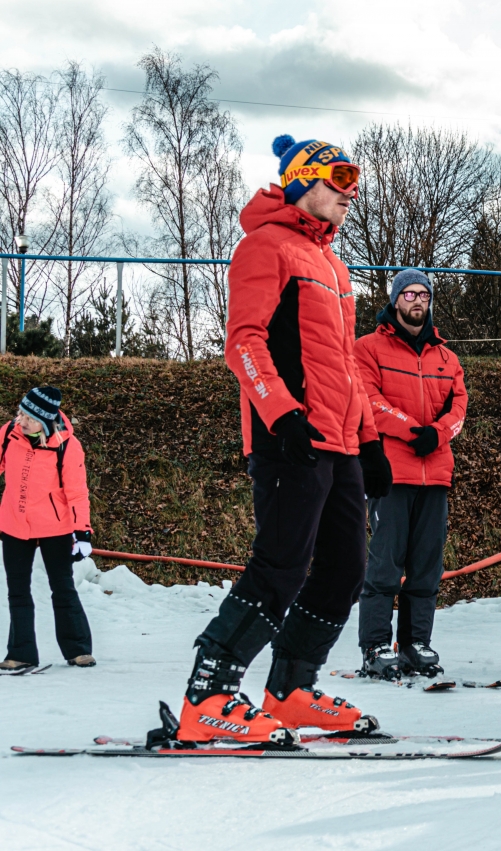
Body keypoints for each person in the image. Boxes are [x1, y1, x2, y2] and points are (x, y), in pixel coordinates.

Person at [175, 134, 394, 743]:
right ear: (303, 180)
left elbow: (346, 366)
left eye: (355, 182)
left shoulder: (334, 265)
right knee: (282, 564)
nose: (351, 194)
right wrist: (282, 414)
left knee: (346, 568)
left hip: (340, 442)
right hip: (290, 438)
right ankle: (209, 694)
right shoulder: (263, 247)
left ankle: (291, 688)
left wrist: (370, 439)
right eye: (339, 179)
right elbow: (243, 343)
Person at [355, 268, 468, 680]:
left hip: (436, 475)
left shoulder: (446, 358)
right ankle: (375, 646)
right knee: (385, 565)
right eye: (409, 294)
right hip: (391, 473)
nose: (417, 301)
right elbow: (368, 399)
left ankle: (415, 643)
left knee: (426, 567)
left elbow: (459, 409)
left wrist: (435, 435)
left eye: (423, 294)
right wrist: (410, 430)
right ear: (395, 299)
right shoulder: (367, 348)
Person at [0, 387, 95, 671]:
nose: (21, 421)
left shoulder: (67, 445)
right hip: (15, 522)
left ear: (44, 421)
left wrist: (82, 532)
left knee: (62, 587)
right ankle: (21, 653)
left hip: (56, 525)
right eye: (20, 414)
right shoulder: (8, 434)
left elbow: (77, 493)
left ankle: (78, 649)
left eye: (28, 418)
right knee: (17, 590)